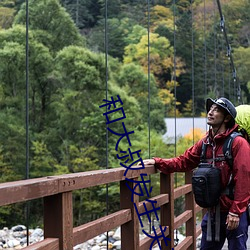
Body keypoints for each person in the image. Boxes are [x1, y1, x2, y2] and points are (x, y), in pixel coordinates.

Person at [140, 97, 250, 250]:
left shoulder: (238, 143)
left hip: (233, 211)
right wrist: (157, 162)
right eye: (210, 109)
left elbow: (244, 179)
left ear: (227, 118)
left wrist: (236, 212)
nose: (210, 112)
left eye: (216, 110)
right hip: (213, 211)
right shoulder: (205, 143)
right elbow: (184, 161)